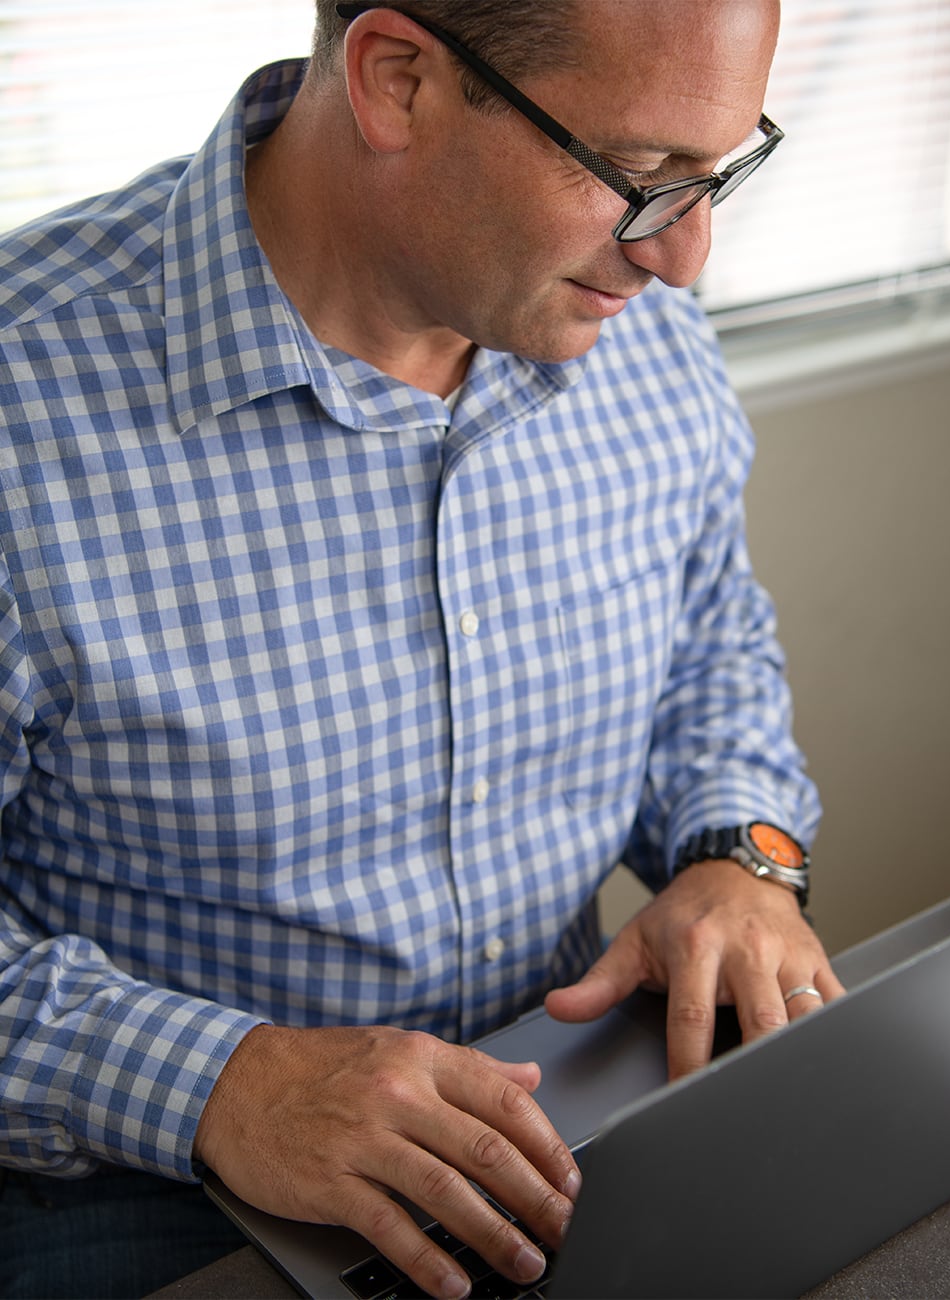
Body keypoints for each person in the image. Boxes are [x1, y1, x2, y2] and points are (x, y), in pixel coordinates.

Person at [0, 2, 844, 1296]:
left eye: (719, 169)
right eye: (637, 175)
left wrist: (741, 850)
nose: (683, 256)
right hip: (159, 1196)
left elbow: (707, 637)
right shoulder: (22, 410)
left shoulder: (635, 318)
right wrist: (218, 1082)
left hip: (565, 1119)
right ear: (398, 80)